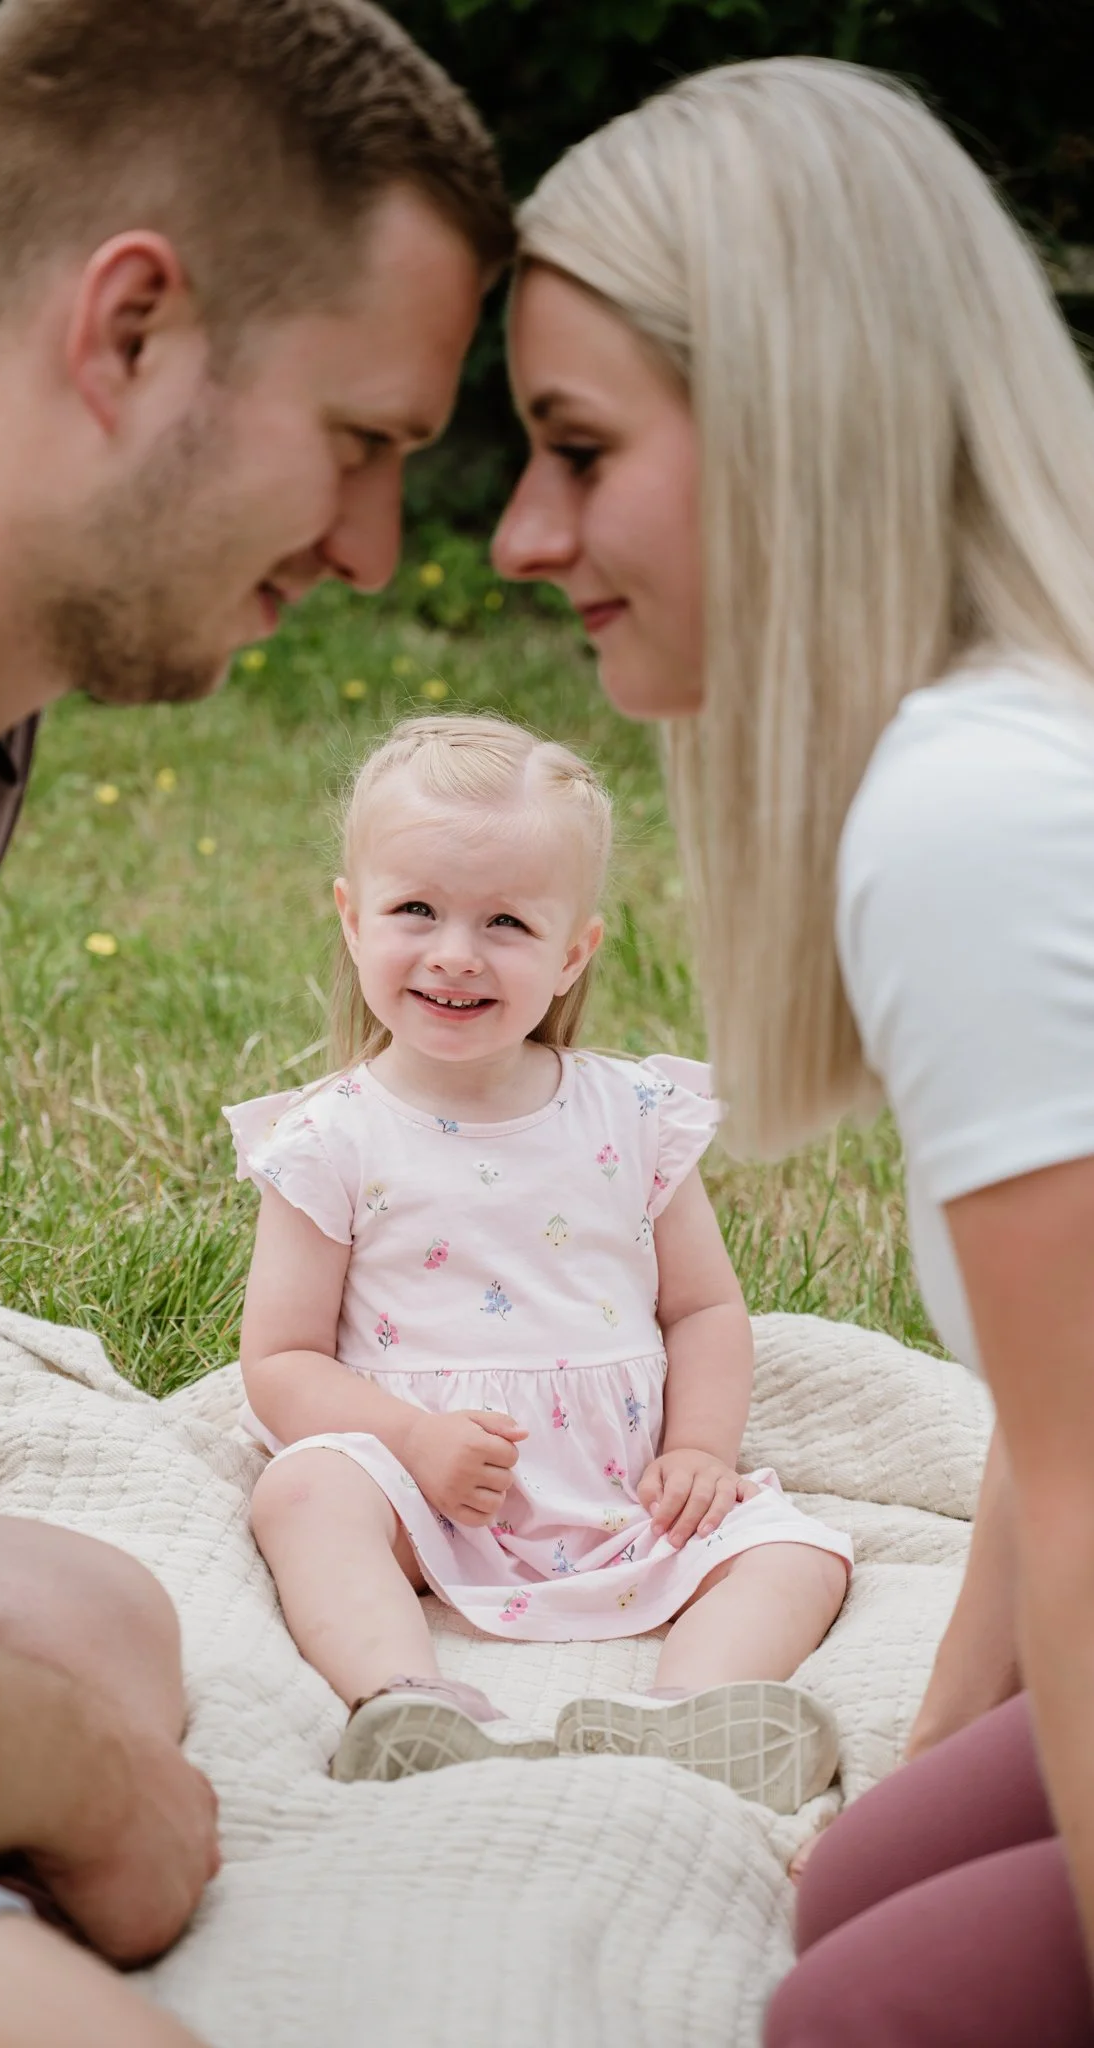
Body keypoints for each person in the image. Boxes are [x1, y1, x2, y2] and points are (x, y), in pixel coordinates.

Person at [0, 0, 513, 2036]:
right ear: (131, 325)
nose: (378, 550)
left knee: (104, 1620)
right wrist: (102, 1807)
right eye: (362, 445)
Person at [490, 52, 1094, 2048]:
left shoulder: (973, 808)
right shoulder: (979, 755)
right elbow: (1048, 1423)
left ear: (784, 423)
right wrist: (906, 1793)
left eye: (575, 450)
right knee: (866, 1889)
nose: (514, 533)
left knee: (852, 2019)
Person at [227, 712, 850, 1804]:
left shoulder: (634, 1113)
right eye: (414, 909)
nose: (455, 952)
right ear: (350, 917)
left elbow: (703, 1309)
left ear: (573, 952)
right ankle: (406, 1696)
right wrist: (412, 1441)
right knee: (304, 1490)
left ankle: (684, 1715)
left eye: (506, 921)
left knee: (800, 1549)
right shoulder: (333, 1136)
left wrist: (701, 1450)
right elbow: (279, 1360)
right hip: (428, 1497)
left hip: (620, 1495)